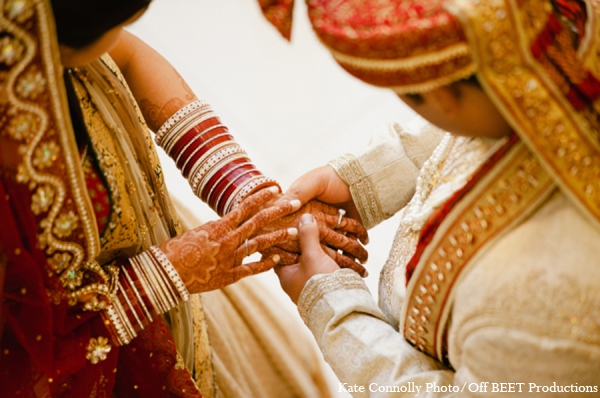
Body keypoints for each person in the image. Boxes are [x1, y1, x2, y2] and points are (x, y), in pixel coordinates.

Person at [0, 0, 369, 396]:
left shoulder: (27, 26)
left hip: (187, 261)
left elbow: (126, 53)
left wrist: (242, 192)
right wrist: (167, 274)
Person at [260, 0, 600, 394]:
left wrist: (335, 311)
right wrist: (363, 179)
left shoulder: (534, 305)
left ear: (442, 96)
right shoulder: (566, 30)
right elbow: (484, 119)